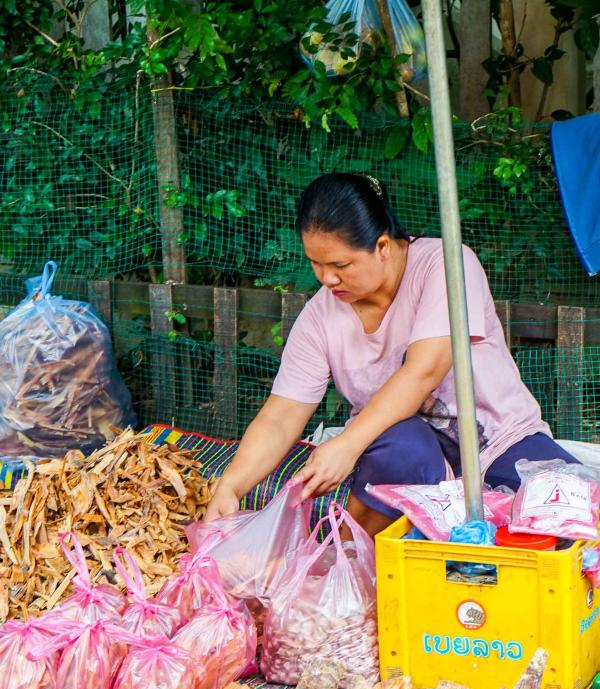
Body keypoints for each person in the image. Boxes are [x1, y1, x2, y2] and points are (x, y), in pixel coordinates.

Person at [205, 173, 578, 536]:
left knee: (573, 517)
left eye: (340, 265)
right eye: (315, 264)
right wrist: (232, 485)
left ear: (383, 247)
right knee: (401, 446)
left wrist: (346, 446)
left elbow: (423, 373)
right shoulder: (320, 317)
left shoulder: (446, 265)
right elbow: (282, 416)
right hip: (410, 462)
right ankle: (350, 559)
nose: (326, 279)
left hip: (501, 441)